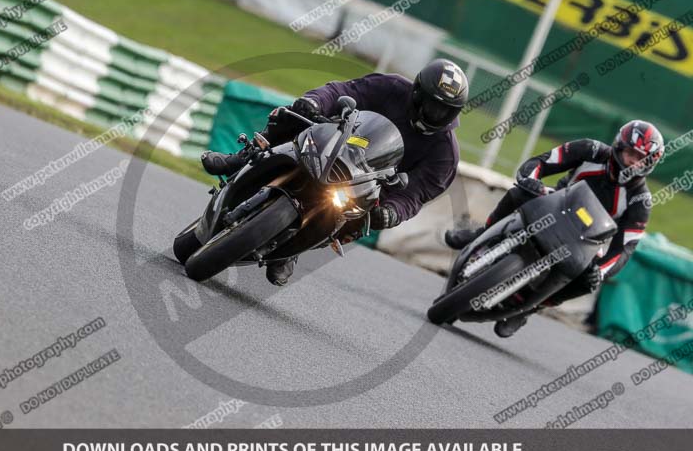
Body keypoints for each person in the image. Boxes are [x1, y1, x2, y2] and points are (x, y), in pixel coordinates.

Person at [201, 59, 469, 285]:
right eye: (433, 105)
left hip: (369, 184)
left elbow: (416, 194)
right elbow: (343, 90)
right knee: (294, 116)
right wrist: (315, 102)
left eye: (445, 111)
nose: (436, 114)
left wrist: (393, 212)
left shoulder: (445, 154)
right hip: (335, 142)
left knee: (361, 221)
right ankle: (241, 158)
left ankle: (293, 248)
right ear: (417, 93)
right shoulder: (392, 87)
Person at [445, 120, 665, 337]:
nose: (633, 162)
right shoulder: (591, 149)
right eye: (630, 153)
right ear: (619, 146)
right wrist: (531, 180)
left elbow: (625, 248)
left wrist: (600, 271)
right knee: (519, 193)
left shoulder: (640, 200)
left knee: (588, 282)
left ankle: (531, 308)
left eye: (640, 159)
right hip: (556, 204)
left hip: (587, 240)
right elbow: (543, 161)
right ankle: (482, 233)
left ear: (649, 164)